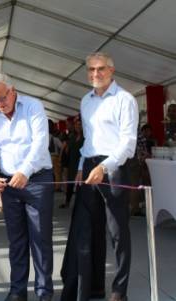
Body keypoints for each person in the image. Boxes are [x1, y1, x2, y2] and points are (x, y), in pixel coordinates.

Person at [61, 52, 138, 301]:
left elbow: (128, 143)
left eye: (101, 69)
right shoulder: (85, 101)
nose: (96, 74)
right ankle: (90, 288)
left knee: (118, 234)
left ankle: (119, 291)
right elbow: (89, 140)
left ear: (112, 71)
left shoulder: (125, 99)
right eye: (91, 70)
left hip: (115, 167)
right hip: (90, 167)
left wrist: (104, 167)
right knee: (85, 231)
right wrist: (83, 164)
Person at [0, 73, 54, 301]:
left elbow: (41, 143)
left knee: (40, 239)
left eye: (2, 98)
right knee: (16, 240)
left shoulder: (33, 106)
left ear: (13, 91)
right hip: (9, 185)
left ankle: (43, 292)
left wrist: (25, 171)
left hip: (37, 180)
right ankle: (17, 291)